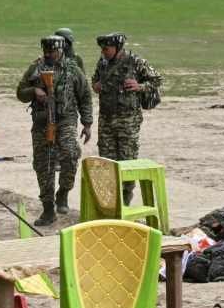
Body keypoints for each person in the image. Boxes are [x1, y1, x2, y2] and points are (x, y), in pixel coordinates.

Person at [17, 31, 92, 226]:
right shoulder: (36, 67)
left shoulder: (73, 69)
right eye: (46, 50)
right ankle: (48, 209)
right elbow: (20, 93)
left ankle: (64, 192)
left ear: (61, 50)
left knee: (70, 153)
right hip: (42, 123)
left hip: (66, 120)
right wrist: (34, 91)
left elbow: (85, 95)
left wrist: (87, 123)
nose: (49, 54)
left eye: (53, 51)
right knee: (44, 165)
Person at [91, 32, 162, 162]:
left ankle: (128, 184)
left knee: (127, 162)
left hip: (128, 122)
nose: (103, 52)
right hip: (106, 121)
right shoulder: (102, 63)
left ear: (117, 47)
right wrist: (96, 85)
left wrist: (139, 86)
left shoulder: (135, 61)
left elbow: (157, 80)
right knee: (107, 164)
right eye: (102, 49)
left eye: (106, 49)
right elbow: (94, 80)